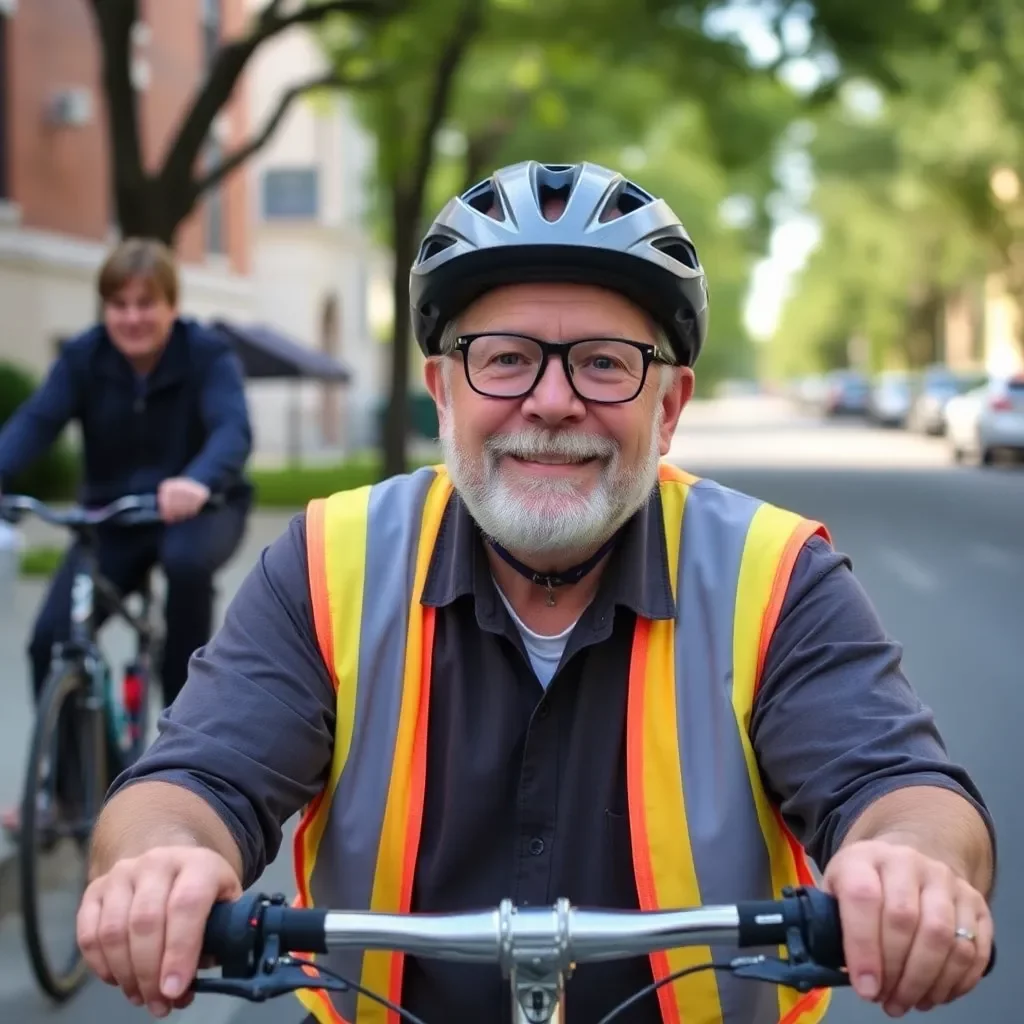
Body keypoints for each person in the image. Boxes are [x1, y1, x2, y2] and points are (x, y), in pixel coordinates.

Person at [77, 163, 995, 1024]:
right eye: (507, 358)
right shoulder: (328, 561)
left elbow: (900, 790)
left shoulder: (777, 572)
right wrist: (164, 861)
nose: (552, 403)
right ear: (442, 392)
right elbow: (193, 780)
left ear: (667, 409)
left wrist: (908, 867)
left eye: (602, 363)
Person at [0, 238, 253, 831]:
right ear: (104, 308)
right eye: (119, 304)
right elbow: (36, 422)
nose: (133, 317)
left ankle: (182, 744)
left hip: (200, 507)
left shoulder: (206, 354)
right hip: (115, 516)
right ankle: (69, 790)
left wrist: (196, 478)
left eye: (147, 303)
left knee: (187, 569)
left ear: (171, 306)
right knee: (51, 638)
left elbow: (231, 432)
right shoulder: (85, 357)